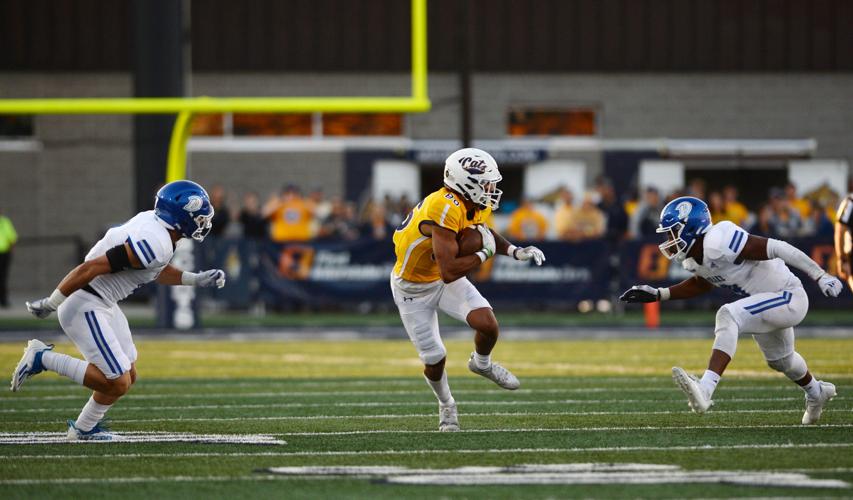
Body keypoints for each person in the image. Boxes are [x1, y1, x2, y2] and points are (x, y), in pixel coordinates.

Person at [10, 180, 226, 440]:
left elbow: (154, 270)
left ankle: (83, 430)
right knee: (117, 381)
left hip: (103, 302)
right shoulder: (156, 242)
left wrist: (195, 278)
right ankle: (42, 358)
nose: (203, 221)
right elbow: (90, 269)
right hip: (85, 303)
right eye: (199, 216)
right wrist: (52, 303)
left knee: (128, 375)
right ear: (183, 216)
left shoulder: (157, 229)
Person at [620, 196, 841, 425]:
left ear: (691, 228)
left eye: (673, 232)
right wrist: (659, 294)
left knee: (728, 315)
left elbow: (777, 247)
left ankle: (705, 389)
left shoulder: (720, 240)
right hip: (765, 302)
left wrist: (820, 275)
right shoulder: (696, 259)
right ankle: (816, 392)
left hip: (788, 296)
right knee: (781, 361)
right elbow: (702, 282)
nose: (669, 239)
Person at [390, 148, 545, 431]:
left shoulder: (472, 201)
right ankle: (446, 404)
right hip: (413, 287)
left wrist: (514, 251)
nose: (491, 188)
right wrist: (484, 254)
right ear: (466, 182)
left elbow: (484, 232)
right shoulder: (444, 206)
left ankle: (482, 364)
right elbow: (450, 271)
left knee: (488, 324)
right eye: (486, 182)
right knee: (435, 359)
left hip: (439, 277)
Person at [834, 193, 853, 292]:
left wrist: (841, 259)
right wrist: (842, 258)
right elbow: (840, 230)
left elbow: (840, 230)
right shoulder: (850, 202)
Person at [0, 208, 17, 308]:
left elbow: (12, 238)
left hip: (4, 254)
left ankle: (3, 300)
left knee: (3, 277)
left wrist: (10, 252)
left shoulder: (5, 222)